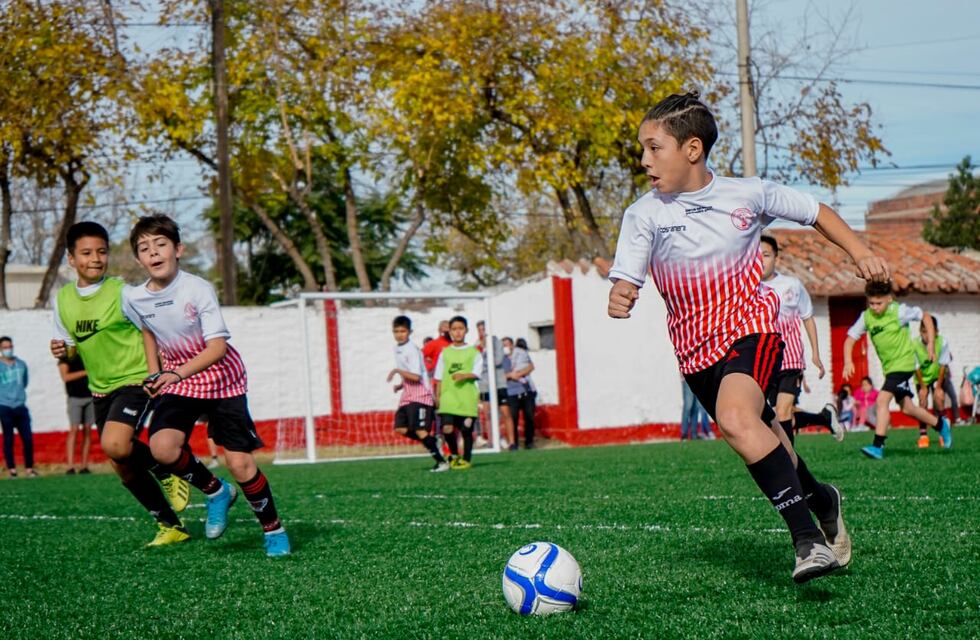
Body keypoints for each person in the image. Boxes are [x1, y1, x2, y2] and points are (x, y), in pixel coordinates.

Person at [607, 92, 874, 582]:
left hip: (753, 329)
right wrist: (621, 293)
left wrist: (860, 252)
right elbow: (628, 275)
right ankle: (822, 500)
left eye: (653, 147)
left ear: (692, 149)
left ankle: (808, 542)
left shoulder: (747, 194)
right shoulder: (643, 214)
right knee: (766, 437)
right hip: (695, 354)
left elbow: (815, 210)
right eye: (643, 149)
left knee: (735, 419)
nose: (644, 159)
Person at [123, 214, 290, 556]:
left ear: (178, 249)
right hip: (180, 382)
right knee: (162, 448)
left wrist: (175, 374)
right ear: (138, 259)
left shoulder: (197, 289)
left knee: (240, 464)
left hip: (222, 380)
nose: (153, 252)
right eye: (144, 248)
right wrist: (155, 374)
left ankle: (274, 529)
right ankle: (216, 491)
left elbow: (217, 348)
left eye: (161, 244)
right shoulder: (134, 297)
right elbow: (148, 331)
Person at [50, 221, 190, 546]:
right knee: (120, 462)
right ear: (71, 258)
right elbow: (70, 346)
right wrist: (62, 350)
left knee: (115, 445)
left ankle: (165, 468)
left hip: (134, 379)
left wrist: (156, 373)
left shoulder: (123, 292)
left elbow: (150, 329)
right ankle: (170, 525)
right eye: (87, 253)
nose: (95, 259)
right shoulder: (63, 299)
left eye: (101, 251)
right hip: (100, 387)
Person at [842, 280, 952, 458]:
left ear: (889, 299)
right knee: (908, 408)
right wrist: (848, 361)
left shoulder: (899, 311)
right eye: (871, 303)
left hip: (904, 365)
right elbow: (850, 338)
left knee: (882, 400)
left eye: (879, 303)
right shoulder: (866, 317)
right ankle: (941, 425)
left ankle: (878, 446)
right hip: (890, 369)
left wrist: (931, 343)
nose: (875, 307)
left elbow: (925, 316)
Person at [759, 236, 842, 443]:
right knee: (777, 415)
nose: (760, 260)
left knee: (783, 411)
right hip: (766, 361)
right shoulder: (749, 289)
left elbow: (807, 318)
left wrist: (815, 354)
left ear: (776, 258)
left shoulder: (792, 285)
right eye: (756, 256)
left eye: (766, 255)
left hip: (790, 359)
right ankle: (824, 417)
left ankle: (788, 460)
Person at [388, 315, 449, 472]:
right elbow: (410, 373)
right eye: (396, 331)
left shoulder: (412, 350)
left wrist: (397, 371)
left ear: (410, 332)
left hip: (421, 396)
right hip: (408, 395)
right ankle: (432, 442)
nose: (399, 334)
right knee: (400, 428)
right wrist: (401, 384)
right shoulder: (397, 348)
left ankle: (442, 462)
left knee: (420, 431)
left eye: (403, 331)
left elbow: (416, 376)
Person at [432, 315, 482, 469]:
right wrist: (438, 396)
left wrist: (464, 375)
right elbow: (439, 377)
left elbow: (477, 373)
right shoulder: (445, 353)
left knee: (466, 430)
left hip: (467, 398)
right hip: (449, 397)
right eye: (454, 329)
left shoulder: (474, 352)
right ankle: (454, 455)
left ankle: (466, 459)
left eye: (460, 328)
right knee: (446, 428)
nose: (457, 332)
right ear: (450, 332)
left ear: (466, 330)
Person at [913, 317, 951, 447]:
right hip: (922, 378)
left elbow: (943, 365)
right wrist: (923, 387)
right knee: (922, 401)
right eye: (924, 331)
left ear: (936, 331)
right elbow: (916, 367)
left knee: (939, 399)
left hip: (936, 376)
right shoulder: (914, 345)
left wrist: (938, 387)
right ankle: (923, 435)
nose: (927, 335)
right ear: (920, 331)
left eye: (930, 331)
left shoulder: (942, 342)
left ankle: (943, 433)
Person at [0, 337, 36, 478]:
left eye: (9, 346)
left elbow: (24, 382)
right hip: (4, 406)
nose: (8, 349)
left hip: (20, 406)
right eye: (5, 347)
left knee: (27, 438)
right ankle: (12, 470)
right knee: (8, 439)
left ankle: (29, 468)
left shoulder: (21, 364)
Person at [476, 320, 514, 449]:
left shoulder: (496, 342)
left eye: (484, 329)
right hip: (485, 383)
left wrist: (484, 358)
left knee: (505, 412)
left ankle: (512, 442)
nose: (482, 332)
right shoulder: (477, 345)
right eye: (480, 330)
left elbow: (498, 360)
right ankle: (492, 441)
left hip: (499, 383)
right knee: (488, 414)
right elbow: (475, 364)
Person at [59, 354, 94, 474]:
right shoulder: (66, 357)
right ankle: (70, 466)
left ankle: (84, 465)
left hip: (90, 396)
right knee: (74, 429)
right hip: (75, 398)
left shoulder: (88, 354)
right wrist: (86, 372)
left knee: (88, 430)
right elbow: (65, 377)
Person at [503, 337, 537, 449]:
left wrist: (519, 374)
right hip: (511, 392)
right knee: (513, 418)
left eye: (507, 345)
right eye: (503, 345)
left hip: (526, 390)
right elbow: (498, 376)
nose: (506, 347)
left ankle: (529, 442)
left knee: (529, 416)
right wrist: (510, 375)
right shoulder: (500, 359)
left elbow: (531, 366)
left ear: (512, 345)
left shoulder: (520, 355)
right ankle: (514, 443)